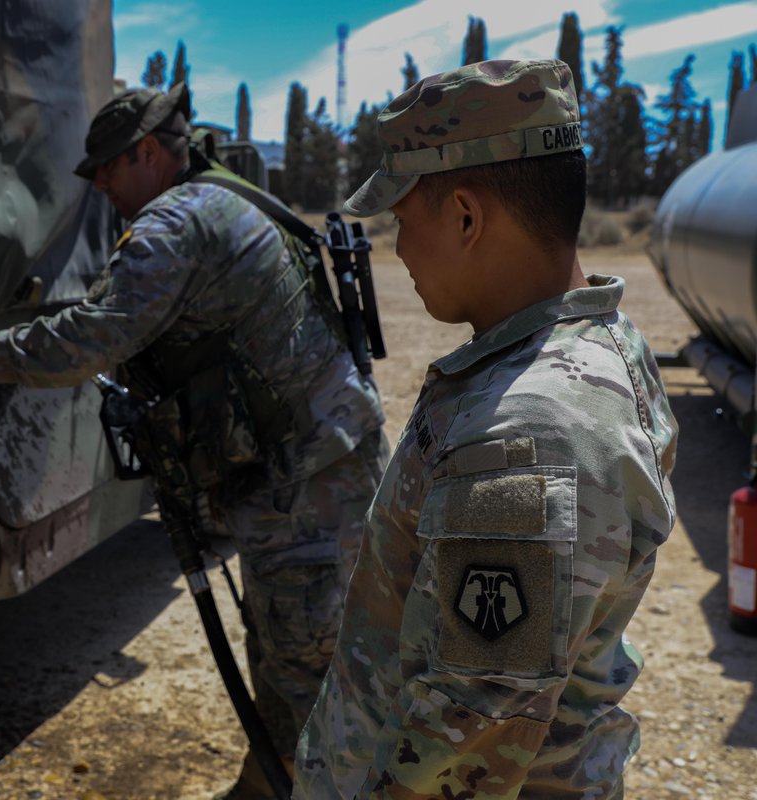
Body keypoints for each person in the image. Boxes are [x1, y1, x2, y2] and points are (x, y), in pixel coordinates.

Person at [0, 83, 389, 798]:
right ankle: (269, 781)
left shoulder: (175, 222)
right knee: (295, 648)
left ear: (146, 152)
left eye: (107, 166)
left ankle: (302, 783)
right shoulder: (230, 196)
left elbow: (88, 340)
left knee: (308, 661)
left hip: (306, 480)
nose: (101, 185)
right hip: (325, 455)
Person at [293, 59, 678, 799]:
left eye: (402, 222)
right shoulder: (598, 342)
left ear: (466, 217)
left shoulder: (526, 434)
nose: (397, 250)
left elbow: (465, 740)